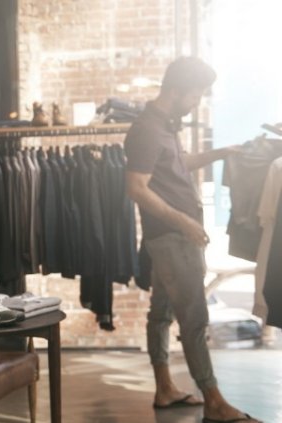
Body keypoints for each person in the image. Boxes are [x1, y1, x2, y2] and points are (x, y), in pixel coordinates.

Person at [125, 56, 259, 423]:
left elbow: (180, 164)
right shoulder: (147, 130)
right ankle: (214, 400)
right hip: (172, 238)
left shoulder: (164, 127)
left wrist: (222, 153)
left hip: (173, 236)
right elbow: (136, 188)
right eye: (197, 93)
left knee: (162, 313)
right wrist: (183, 221)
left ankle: (165, 387)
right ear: (178, 89)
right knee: (194, 318)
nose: (198, 101)